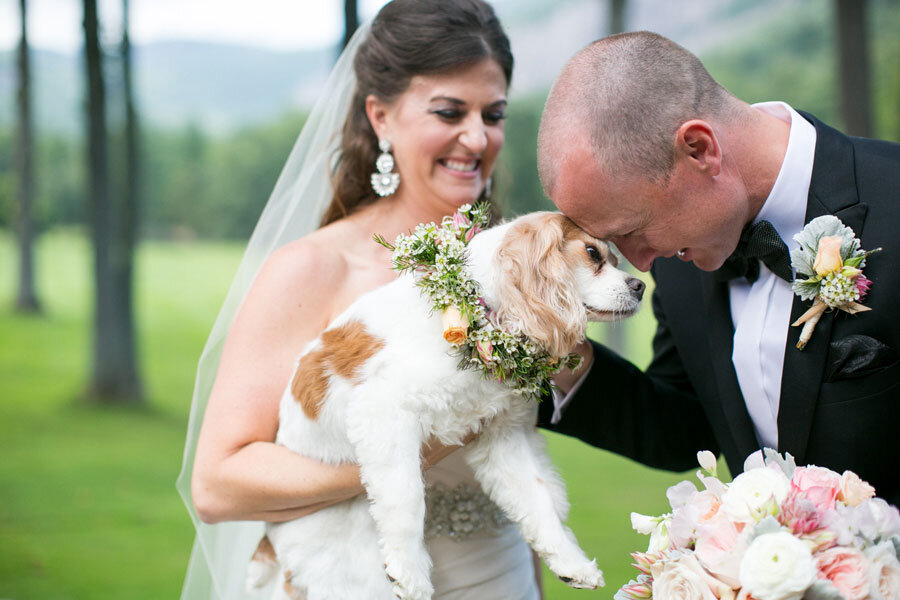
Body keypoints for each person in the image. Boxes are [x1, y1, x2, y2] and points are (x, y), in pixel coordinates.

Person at [176, 1, 544, 598]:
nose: (477, 138)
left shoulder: (511, 269)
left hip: (498, 575)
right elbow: (219, 484)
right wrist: (400, 462)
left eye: (493, 114)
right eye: (450, 111)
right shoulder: (313, 269)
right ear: (381, 115)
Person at [536, 31, 900, 506]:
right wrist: (556, 354)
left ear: (699, 149)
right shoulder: (682, 250)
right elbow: (686, 424)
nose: (641, 263)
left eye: (632, 231)